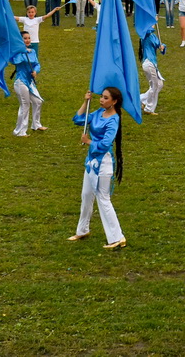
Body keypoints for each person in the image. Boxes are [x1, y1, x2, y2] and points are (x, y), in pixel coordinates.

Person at [68, 88, 127, 250]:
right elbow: (78, 119)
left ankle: (117, 237)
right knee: (86, 195)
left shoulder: (113, 120)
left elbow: (105, 144)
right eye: (101, 97)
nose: (101, 100)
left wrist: (87, 142)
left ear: (114, 101)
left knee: (103, 198)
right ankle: (82, 230)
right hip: (91, 161)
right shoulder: (99, 112)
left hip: (103, 163)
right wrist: (86, 101)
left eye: (105, 98)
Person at [11, 31, 45, 137]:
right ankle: (20, 131)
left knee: (38, 101)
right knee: (25, 105)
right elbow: (15, 61)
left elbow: (37, 64)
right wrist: (23, 51)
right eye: (25, 38)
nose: (27, 40)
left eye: (28, 38)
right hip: (20, 82)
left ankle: (36, 124)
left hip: (29, 82)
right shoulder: (17, 52)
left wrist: (35, 71)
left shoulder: (32, 51)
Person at [140, 26, 165, 115]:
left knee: (160, 84)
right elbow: (146, 30)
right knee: (155, 85)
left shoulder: (153, 36)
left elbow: (160, 46)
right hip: (148, 62)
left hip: (153, 63)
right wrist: (152, 21)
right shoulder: (145, 35)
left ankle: (142, 99)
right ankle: (149, 108)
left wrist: (162, 47)